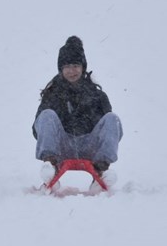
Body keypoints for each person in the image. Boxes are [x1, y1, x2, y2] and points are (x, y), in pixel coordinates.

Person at [32, 36, 123, 184]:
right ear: (61, 69)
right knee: (47, 115)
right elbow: (38, 128)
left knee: (113, 118)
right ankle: (50, 166)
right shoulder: (53, 93)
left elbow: (111, 130)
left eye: (75, 66)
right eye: (67, 67)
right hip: (62, 146)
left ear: (83, 67)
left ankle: (102, 170)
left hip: (90, 146)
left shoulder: (97, 95)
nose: (71, 71)